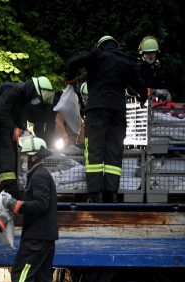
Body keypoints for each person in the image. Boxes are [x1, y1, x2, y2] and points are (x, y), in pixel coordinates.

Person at [67, 35, 147, 203]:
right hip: (118, 113)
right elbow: (141, 88)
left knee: (95, 151)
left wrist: (71, 79)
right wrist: (141, 99)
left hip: (97, 111)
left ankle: (95, 194)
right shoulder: (125, 61)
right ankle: (111, 194)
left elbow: (73, 63)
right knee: (114, 152)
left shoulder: (97, 55)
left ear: (100, 45)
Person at [0, 76, 55, 199]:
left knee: (7, 152)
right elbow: (2, 112)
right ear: (34, 91)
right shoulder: (12, 91)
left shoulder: (24, 101)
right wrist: (17, 130)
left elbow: (17, 119)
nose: (37, 102)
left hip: (2, 122)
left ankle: (10, 187)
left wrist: (22, 130)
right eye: (38, 98)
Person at [2, 136, 58, 282]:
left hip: (36, 237)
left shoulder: (39, 176)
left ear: (34, 156)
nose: (22, 158)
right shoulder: (39, 175)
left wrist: (15, 205)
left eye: (25, 155)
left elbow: (41, 205)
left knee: (20, 276)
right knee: (42, 279)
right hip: (43, 235)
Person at [137, 36, 171, 100]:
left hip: (156, 104)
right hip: (143, 103)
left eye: (153, 52)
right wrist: (155, 92)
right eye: (148, 53)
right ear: (142, 54)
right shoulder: (139, 69)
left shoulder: (157, 68)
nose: (151, 55)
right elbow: (137, 89)